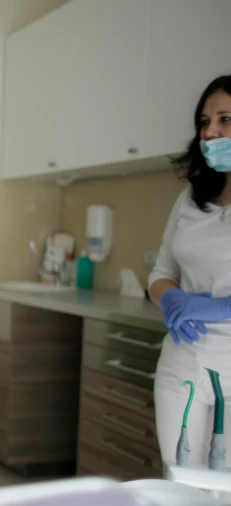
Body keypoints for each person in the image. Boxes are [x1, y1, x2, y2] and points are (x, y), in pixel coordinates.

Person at [149, 74, 231, 474]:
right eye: (204, 121)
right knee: (178, 485)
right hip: (182, 365)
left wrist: (218, 308)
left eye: (225, 119)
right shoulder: (192, 198)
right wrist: (171, 298)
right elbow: (162, 271)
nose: (211, 131)